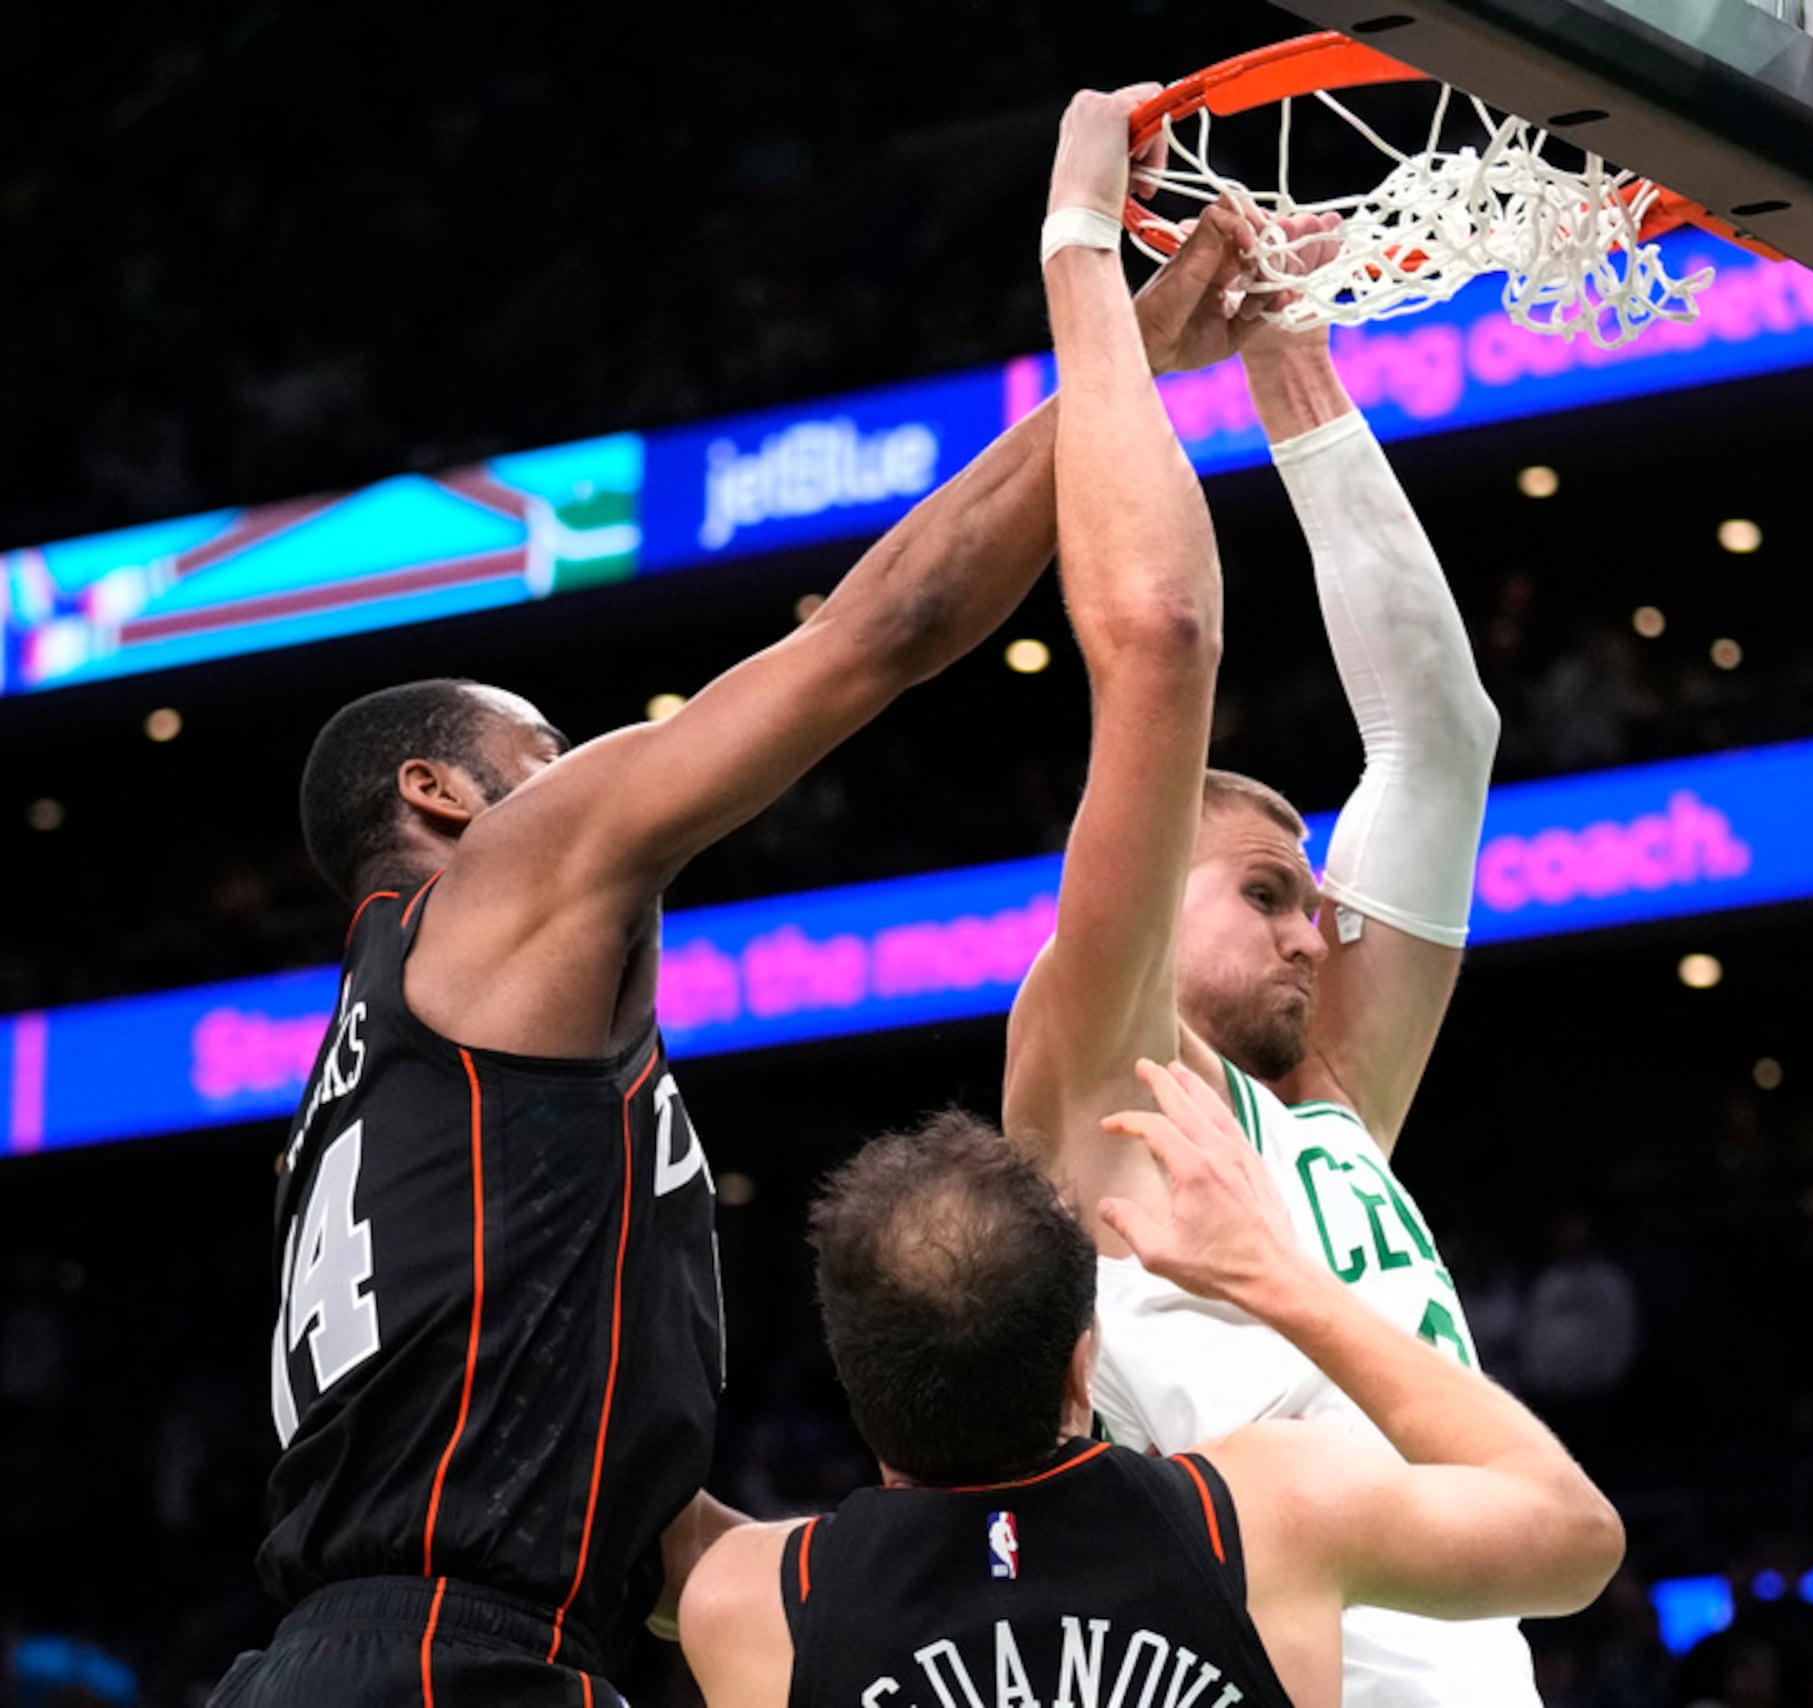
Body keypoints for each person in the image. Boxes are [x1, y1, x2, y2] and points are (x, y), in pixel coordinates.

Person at [220, 195, 1266, 1706]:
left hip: (383, 1654)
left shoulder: (383, 1084)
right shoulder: (503, 885)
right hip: (453, 1666)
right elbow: (884, 628)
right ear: (438, 794)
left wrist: (927, 1562)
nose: (587, 775)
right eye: (549, 748)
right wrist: (1121, 353)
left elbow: (591, 1509)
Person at [1000, 78, 1518, 1708]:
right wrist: (1086, 251)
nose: (1317, 926)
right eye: (1271, 890)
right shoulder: (1094, 1089)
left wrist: (1298, 374)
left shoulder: (1334, 1108)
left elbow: (1440, 738)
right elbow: (1151, 631)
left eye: (1314, 898)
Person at [677, 1057, 1623, 1708]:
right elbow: (1575, 1538)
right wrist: (1280, 1279)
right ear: (1084, 1359)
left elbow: (623, 1510)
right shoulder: (1269, 1513)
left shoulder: (754, 1604)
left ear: (854, 1382)